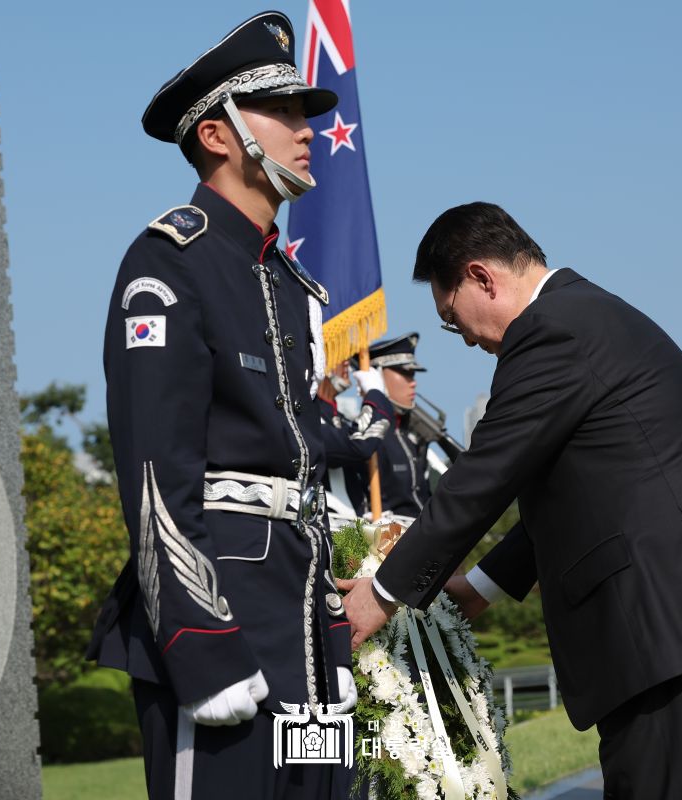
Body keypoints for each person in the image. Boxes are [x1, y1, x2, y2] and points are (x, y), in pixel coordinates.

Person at [341, 202, 682, 799]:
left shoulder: (552, 333)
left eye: (455, 321)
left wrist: (381, 595)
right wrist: (481, 586)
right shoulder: (588, 317)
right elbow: (584, 491)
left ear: (482, 277)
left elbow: (484, 477)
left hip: (673, 635)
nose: (468, 341)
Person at [84, 13, 356, 800]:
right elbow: (155, 478)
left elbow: (304, 483)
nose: (308, 129)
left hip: (301, 626)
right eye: (285, 112)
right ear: (217, 134)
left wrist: (330, 643)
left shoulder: (284, 281)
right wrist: (202, 646)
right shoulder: (167, 265)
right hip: (223, 623)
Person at [352, 332, 432, 518]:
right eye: (405, 373)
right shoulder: (368, 436)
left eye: (412, 374)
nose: (413, 383)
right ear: (377, 375)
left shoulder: (408, 436)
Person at [316, 363, 393, 514]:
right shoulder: (307, 418)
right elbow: (360, 444)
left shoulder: (339, 420)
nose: (347, 363)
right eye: (340, 353)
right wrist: (375, 395)